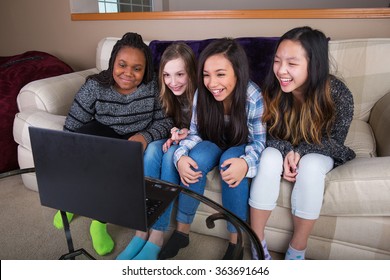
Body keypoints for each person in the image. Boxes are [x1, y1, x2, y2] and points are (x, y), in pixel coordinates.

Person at [52, 32, 173, 256]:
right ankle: (70, 201)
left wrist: (145, 137)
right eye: (122, 65)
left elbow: (166, 122)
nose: (128, 73)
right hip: (102, 134)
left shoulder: (153, 87)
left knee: (117, 166)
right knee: (80, 140)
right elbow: (72, 124)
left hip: (132, 141)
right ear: (112, 63)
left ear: (145, 70)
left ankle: (98, 222)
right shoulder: (95, 86)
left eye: (137, 68)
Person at [249, 26, 356, 260]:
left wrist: (300, 152)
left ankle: (297, 250)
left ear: (314, 64)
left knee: (311, 165)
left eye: (292, 63)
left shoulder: (338, 94)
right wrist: (287, 151)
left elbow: (336, 144)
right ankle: (256, 242)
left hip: (318, 152)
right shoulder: (272, 90)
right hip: (281, 149)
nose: (281, 71)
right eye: (277, 61)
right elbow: (264, 135)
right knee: (267, 158)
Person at [157, 38, 266, 260]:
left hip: (239, 145)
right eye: (206, 75)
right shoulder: (202, 94)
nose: (212, 83)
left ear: (238, 72)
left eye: (220, 74)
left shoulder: (252, 96)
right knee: (193, 160)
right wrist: (180, 156)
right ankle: (182, 232)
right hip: (211, 141)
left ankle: (236, 241)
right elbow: (195, 133)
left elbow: (259, 142)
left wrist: (246, 163)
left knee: (230, 165)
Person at [116, 42, 197, 260]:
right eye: (167, 75)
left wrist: (184, 134)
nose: (173, 82)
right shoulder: (164, 92)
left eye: (180, 74)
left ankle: (157, 235)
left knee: (170, 156)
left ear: (191, 72)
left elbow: (205, 130)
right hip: (172, 136)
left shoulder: (201, 93)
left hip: (194, 141)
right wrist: (174, 131)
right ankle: (141, 230)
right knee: (152, 151)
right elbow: (163, 121)